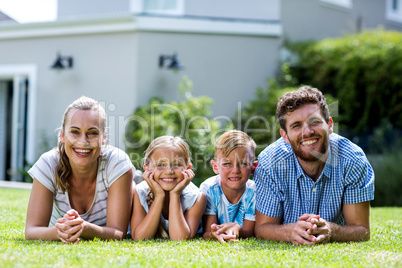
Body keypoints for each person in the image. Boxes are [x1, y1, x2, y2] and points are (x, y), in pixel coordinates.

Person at [254, 86, 375, 245]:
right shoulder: (270, 162)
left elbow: (361, 230)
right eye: (296, 125)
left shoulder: (352, 159)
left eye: (315, 121)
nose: (307, 132)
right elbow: (262, 228)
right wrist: (290, 232)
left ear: (329, 125)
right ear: (285, 136)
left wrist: (331, 231)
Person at [25, 96, 134, 243]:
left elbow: (118, 232)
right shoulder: (48, 163)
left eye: (93, 133)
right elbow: (32, 230)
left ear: (104, 138)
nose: (83, 142)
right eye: (75, 132)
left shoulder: (117, 162)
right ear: (62, 135)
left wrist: (84, 228)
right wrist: (60, 232)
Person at [130, 136, 206, 240]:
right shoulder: (140, 192)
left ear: (188, 168)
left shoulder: (196, 197)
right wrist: (159, 196)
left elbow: (180, 239)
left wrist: (175, 195)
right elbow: (140, 238)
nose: (169, 171)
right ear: (147, 169)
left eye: (176, 164)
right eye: (160, 165)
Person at [200, 130, 257, 242]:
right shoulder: (209, 189)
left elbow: (249, 233)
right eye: (227, 164)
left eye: (243, 163)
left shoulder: (254, 191)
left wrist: (237, 230)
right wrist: (215, 234)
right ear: (215, 166)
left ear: (253, 167)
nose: (235, 170)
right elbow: (207, 232)